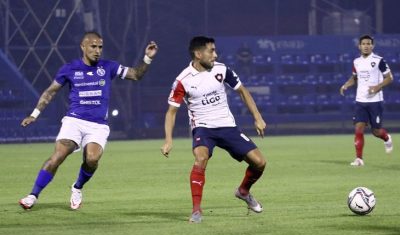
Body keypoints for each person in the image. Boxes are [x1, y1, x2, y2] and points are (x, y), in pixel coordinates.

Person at [19, 31, 158, 210]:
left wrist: (147, 58)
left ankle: (77, 187)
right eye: (93, 46)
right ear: (83, 47)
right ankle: (33, 195)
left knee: (92, 159)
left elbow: (136, 75)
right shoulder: (69, 68)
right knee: (58, 156)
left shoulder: (109, 67)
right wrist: (34, 114)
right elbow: (50, 92)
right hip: (74, 121)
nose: (97, 50)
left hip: (98, 126)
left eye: (100, 47)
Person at [160, 36, 267, 223]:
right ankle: (196, 211)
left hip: (227, 127)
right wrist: (168, 139)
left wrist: (257, 117)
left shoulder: (221, 69)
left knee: (260, 163)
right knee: (200, 158)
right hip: (203, 129)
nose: (215, 55)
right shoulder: (183, 80)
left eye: (215, 51)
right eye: (211, 51)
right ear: (198, 53)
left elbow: (243, 91)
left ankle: (243, 191)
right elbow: (171, 112)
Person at [340, 34, 393, 167]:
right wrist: (346, 85)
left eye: (369, 44)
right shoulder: (356, 62)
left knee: (376, 132)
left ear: (372, 46)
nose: (366, 46)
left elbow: (389, 77)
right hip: (361, 101)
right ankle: (359, 159)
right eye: (364, 44)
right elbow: (354, 78)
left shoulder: (379, 60)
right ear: (359, 46)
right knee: (358, 128)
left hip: (375, 101)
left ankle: (386, 138)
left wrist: (377, 87)